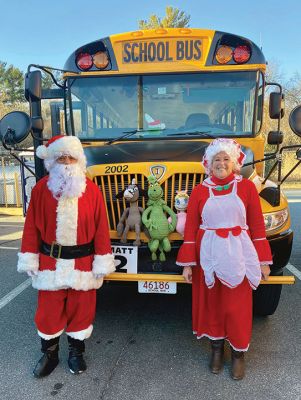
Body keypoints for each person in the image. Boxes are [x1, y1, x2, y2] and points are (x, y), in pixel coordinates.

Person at [17, 135, 115, 378]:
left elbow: (101, 228)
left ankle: (76, 352)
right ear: (52, 161)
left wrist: (102, 259)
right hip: (50, 262)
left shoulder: (92, 191)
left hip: (83, 263)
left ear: (78, 160)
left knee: (81, 311)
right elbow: (31, 227)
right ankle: (49, 354)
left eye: (70, 157)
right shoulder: (41, 189)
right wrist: (30, 257)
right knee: (48, 312)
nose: (66, 161)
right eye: (60, 157)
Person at [176, 138, 272, 380]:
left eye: (225, 159)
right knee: (213, 305)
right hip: (208, 255)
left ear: (234, 163)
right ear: (208, 164)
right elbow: (191, 229)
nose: (221, 163)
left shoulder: (247, 188)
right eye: (216, 159)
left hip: (238, 255)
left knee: (236, 307)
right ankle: (216, 350)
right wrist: (188, 263)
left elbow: (258, 226)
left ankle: (238, 355)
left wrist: (263, 261)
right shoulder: (199, 191)